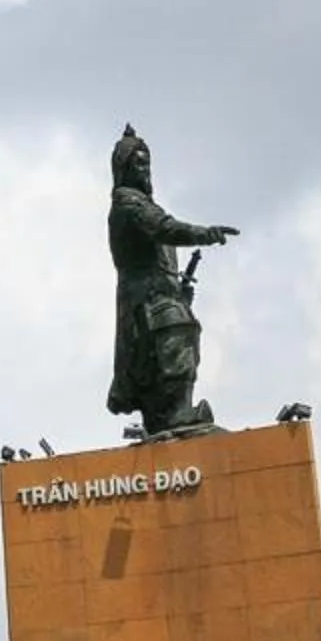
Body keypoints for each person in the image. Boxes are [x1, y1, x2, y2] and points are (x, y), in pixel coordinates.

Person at [105, 125, 237, 435]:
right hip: (149, 299)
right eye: (139, 164)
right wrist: (205, 234)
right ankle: (174, 415)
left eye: (147, 164)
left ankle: (170, 416)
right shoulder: (127, 203)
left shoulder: (142, 204)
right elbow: (166, 229)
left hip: (162, 293)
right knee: (175, 335)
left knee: (177, 338)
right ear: (124, 168)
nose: (145, 170)